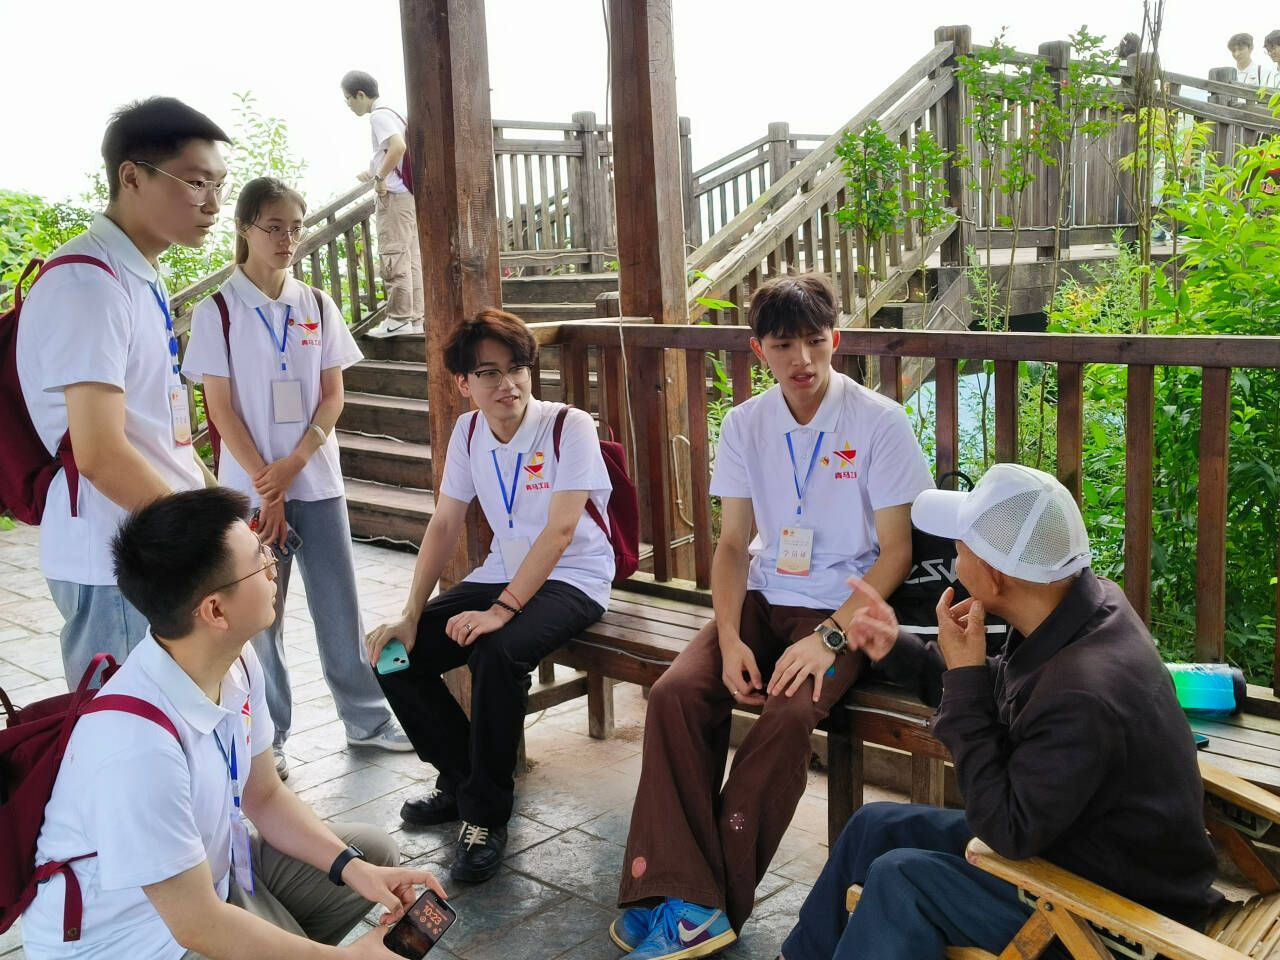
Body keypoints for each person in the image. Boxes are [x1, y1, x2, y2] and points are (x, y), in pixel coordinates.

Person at [611, 273, 934, 960]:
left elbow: (897, 552)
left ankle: (707, 901)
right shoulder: (745, 424)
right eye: (784, 345)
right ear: (759, 350)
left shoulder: (879, 421)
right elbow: (732, 545)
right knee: (674, 695)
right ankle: (680, 891)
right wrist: (729, 639)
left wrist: (829, 637)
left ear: (836, 339)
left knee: (786, 718)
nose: (802, 360)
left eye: (815, 341)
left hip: (846, 608)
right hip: (762, 597)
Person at [779, 463, 1221, 960]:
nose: (953, 556)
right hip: (1071, 836)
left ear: (993, 575)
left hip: (1119, 912)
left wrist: (965, 679)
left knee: (900, 881)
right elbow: (1006, 692)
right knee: (874, 827)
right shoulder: (1083, 611)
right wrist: (900, 648)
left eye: (960, 547)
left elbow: (1007, 829)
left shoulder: (1082, 693)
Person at [22, 488, 447, 959]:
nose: (273, 566)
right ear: (214, 610)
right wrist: (349, 959)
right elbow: (197, 925)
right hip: (134, 939)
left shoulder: (236, 661)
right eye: (259, 558)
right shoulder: (136, 748)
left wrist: (353, 869)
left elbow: (264, 795)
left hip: (212, 876)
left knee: (371, 853)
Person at [364, 308, 614, 884]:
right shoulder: (469, 431)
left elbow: (561, 532)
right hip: (501, 572)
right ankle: (464, 782)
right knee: (394, 655)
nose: (508, 384)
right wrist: (409, 615)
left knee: (497, 653)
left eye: (517, 368)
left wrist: (500, 611)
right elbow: (445, 522)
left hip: (574, 576)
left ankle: (485, 816)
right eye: (489, 373)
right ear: (464, 384)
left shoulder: (568, 425)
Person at [181, 177, 411, 780]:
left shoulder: (316, 305)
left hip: (317, 482)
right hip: (249, 493)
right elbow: (220, 410)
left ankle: (367, 720)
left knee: (339, 605)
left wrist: (295, 464)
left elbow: (333, 396)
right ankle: (268, 736)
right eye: (274, 227)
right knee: (260, 618)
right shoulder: (218, 311)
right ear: (244, 229)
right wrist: (268, 485)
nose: (287, 239)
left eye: (295, 227)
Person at [16, 97, 230, 686]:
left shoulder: (138, 273)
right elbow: (101, 453)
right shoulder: (88, 282)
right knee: (125, 726)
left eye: (219, 185)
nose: (213, 204)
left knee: (182, 722)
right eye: (195, 182)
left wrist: (217, 506)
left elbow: (158, 430)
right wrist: (201, 539)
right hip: (117, 559)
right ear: (131, 176)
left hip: (152, 545)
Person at [340, 70, 424, 339]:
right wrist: (374, 170)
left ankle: (398, 318)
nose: (348, 104)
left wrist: (379, 178)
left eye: (348, 98)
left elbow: (398, 147)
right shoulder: (394, 112)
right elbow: (392, 151)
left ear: (360, 95)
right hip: (407, 195)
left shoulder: (378, 115)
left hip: (394, 198)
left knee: (393, 256)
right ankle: (415, 318)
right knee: (410, 258)